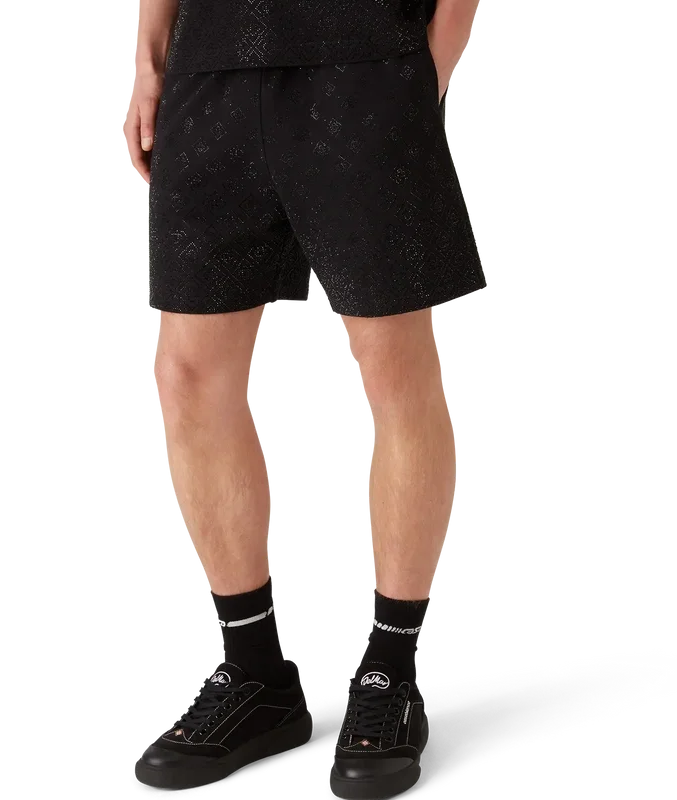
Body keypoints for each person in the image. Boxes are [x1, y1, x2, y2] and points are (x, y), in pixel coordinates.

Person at [123, 1, 484, 796]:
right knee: (187, 373)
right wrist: (147, 60)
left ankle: (391, 669)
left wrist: (422, 70)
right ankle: (253, 671)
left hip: (365, 58)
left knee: (392, 368)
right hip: (209, 62)